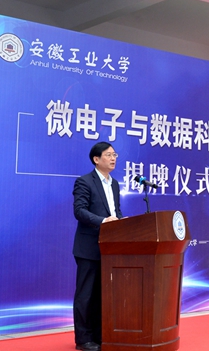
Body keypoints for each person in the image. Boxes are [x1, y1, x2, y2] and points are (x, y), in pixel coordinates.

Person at [73, 142, 123, 351]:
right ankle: (83, 339)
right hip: (88, 247)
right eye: (109, 155)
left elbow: (115, 211)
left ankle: (100, 335)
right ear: (96, 159)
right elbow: (80, 211)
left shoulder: (114, 184)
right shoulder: (84, 182)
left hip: (110, 249)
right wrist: (103, 221)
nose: (113, 158)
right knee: (86, 295)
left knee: (104, 294)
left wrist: (121, 222)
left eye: (115, 154)